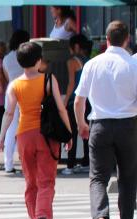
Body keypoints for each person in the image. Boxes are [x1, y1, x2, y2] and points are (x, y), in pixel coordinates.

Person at [0, 42, 72, 219]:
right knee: (46, 181)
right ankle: (42, 217)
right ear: (39, 60)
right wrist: (69, 133)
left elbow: (9, 112)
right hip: (46, 135)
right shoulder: (48, 79)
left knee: (31, 183)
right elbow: (60, 108)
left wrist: (2, 137)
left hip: (23, 135)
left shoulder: (14, 85)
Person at [72, 20, 137, 219]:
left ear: (106, 39)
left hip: (99, 124)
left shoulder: (92, 64)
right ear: (127, 39)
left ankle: (99, 218)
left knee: (98, 177)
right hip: (128, 124)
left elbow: (79, 100)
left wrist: (81, 123)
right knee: (128, 178)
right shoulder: (133, 64)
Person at [1, 30, 30, 175]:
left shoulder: (6, 58)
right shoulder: (26, 55)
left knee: (10, 127)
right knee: (26, 125)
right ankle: (25, 160)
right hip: (26, 89)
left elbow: (7, 76)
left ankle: (8, 163)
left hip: (11, 90)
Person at [63, 33, 92, 175]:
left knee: (72, 132)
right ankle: (86, 162)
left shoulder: (72, 61)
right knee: (86, 132)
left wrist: (64, 101)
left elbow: (71, 84)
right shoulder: (89, 60)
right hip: (88, 100)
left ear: (75, 46)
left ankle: (70, 165)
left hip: (75, 100)